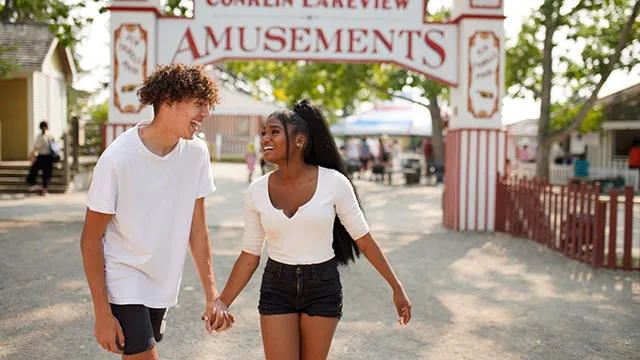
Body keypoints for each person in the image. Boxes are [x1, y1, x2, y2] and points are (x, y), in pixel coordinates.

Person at [218, 99, 412, 360]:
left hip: (322, 287)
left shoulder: (334, 183)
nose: (265, 138)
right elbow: (250, 255)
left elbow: (364, 240)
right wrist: (222, 302)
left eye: (274, 132)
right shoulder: (256, 191)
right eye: (264, 132)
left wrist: (396, 287)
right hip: (277, 286)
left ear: (299, 141)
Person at [80, 63, 234, 359]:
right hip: (124, 277)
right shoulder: (117, 160)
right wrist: (102, 312)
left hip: (162, 280)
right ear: (168, 101)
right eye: (199, 104)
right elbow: (90, 240)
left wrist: (212, 295)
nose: (206, 114)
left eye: (208, 105)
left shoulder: (196, 153)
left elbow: (197, 229)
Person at [26, 121, 56, 196]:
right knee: (45, 174)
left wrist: (32, 156)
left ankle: (41, 188)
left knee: (36, 172)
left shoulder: (41, 136)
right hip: (48, 157)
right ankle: (43, 189)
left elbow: (37, 147)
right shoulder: (50, 136)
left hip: (43, 157)